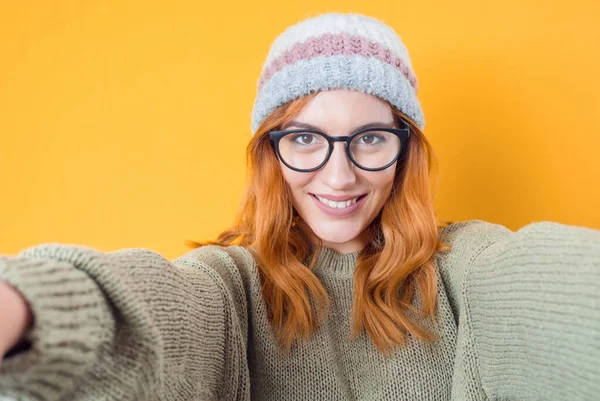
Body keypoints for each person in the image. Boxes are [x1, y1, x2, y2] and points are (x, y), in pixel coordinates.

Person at [0, 12, 599, 401]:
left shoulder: (465, 268)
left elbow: (550, 288)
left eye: (369, 137)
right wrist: (28, 308)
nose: (339, 176)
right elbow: (152, 315)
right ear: (270, 152)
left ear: (405, 149)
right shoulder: (232, 289)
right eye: (306, 138)